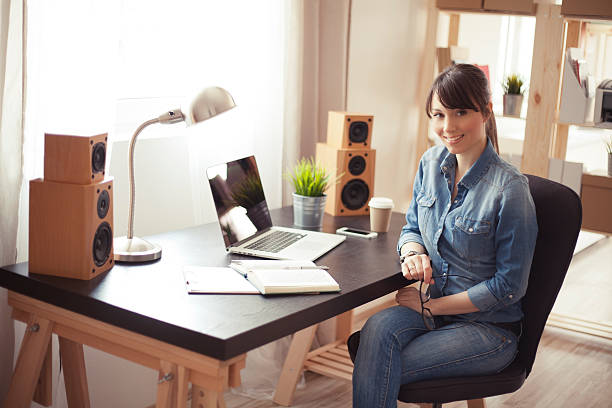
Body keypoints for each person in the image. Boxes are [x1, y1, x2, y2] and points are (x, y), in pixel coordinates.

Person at [352, 64, 538, 408]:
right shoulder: (430, 164)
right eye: (438, 115)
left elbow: (508, 286)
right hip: (431, 312)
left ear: (486, 111)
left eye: (460, 112)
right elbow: (410, 228)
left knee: (377, 365)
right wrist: (413, 252)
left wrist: (430, 304)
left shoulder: (510, 189)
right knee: (375, 332)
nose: (447, 127)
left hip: (488, 330)